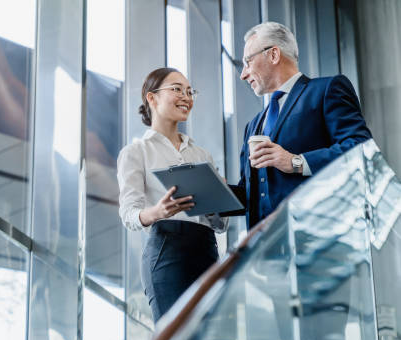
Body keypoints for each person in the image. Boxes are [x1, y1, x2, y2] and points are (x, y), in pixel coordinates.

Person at [234, 22, 372, 228]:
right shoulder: (253, 125)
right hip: (264, 249)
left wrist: (296, 162)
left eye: (248, 61)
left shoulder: (326, 90)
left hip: (319, 237)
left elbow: (360, 147)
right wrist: (207, 197)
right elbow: (249, 191)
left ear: (273, 55)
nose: (243, 74)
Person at [117, 67, 227, 322]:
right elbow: (128, 214)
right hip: (167, 251)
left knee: (213, 338)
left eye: (190, 92)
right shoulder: (136, 152)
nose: (186, 97)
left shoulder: (202, 155)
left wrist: (216, 200)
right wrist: (157, 212)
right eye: (177, 89)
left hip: (207, 249)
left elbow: (219, 225)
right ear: (152, 98)